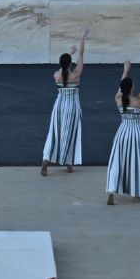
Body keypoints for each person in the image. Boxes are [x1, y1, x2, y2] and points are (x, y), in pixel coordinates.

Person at [105, 60, 140, 204]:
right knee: (137, 161)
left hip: (122, 133)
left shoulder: (118, 99)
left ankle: (111, 192)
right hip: (136, 134)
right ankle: (137, 194)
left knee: (116, 161)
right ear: (132, 87)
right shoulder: (139, 101)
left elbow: (121, 87)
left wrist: (125, 70)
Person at [41, 36, 86, 176]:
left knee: (53, 134)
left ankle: (46, 160)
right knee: (71, 133)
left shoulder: (56, 75)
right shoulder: (76, 75)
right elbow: (82, 55)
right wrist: (82, 38)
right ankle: (68, 163)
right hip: (72, 107)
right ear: (70, 63)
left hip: (59, 107)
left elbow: (63, 67)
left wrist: (70, 53)